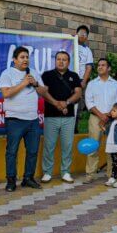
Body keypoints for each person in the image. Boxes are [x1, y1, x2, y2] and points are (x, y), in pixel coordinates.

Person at [0, 47, 50, 192]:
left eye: (27, 57)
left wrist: (35, 84)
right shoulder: (7, 73)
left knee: (33, 150)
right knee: (12, 151)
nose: (25, 60)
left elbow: (43, 92)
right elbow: (6, 93)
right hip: (14, 119)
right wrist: (23, 83)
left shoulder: (33, 72)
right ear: (14, 60)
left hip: (32, 119)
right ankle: (11, 180)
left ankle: (28, 178)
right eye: (22, 57)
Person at [41, 51, 82, 183]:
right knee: (49, 145)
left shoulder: (74, 76)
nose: (61, 61)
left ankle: (65, 172)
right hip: (50, 116)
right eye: (58, 59)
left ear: (68, 62)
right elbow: (44, 92)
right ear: (55, 61)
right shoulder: (47, 75)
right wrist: (56, 104)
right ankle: (47, 172)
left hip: (68, 117)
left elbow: (78, 93)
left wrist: (67, 103)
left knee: (67, 146)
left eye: (64, 59)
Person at [84, 58, 117, 183]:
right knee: (92, 147)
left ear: (109, 68)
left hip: (112, 120)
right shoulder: (92, 84)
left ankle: (111, 175)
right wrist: (101, 115)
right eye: (99, 65)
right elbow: (89, 102)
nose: (100, 67)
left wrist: (108, 116)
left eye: (103, 65)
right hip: (95, 119)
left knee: (111, 147)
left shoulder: (116, 84)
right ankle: (90, 174)